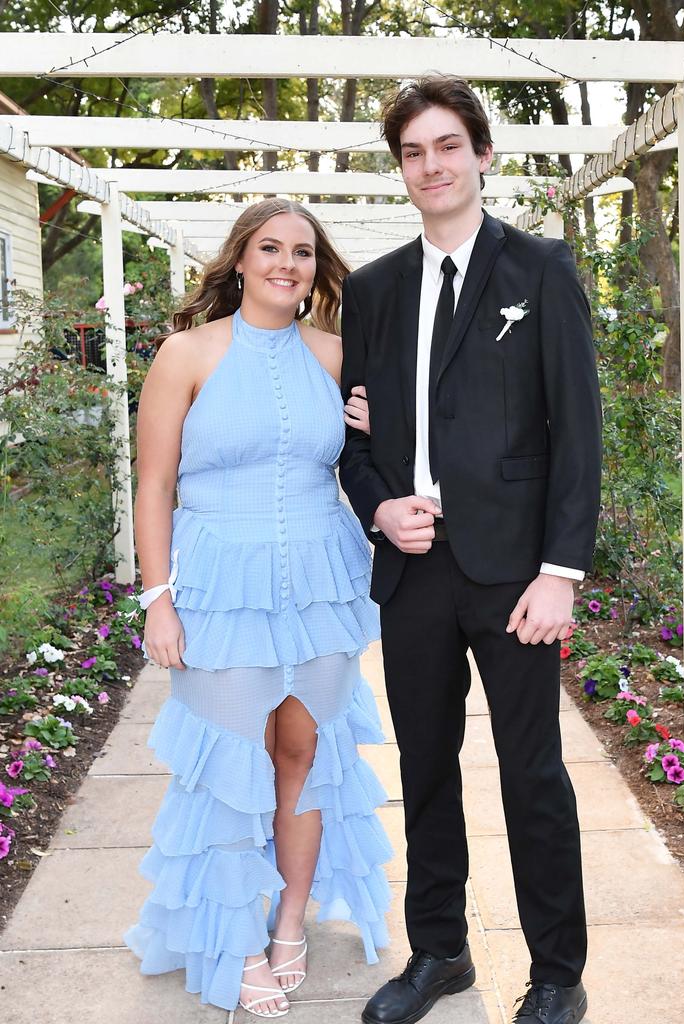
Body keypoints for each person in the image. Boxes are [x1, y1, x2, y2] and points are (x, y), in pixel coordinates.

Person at [340, 76, 602, 1024]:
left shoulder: (539, 271)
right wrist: (379, 507)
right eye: (414, 152)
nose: (432, 166)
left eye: (448, 146)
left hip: (517, 575)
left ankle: (559, 973)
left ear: (482, 155)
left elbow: (578, 430)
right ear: (402, 169)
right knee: (425, 765)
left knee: (533, 772)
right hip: (414, 572)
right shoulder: (370, 292)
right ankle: (441, 951)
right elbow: (355, 443)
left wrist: (562, 572)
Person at [125, 198, 391, 1018]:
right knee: (230, 767)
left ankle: (286, 925)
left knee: (303, 757)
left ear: (318, 268)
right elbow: (155, 484)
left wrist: (378, 428)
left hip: (319, 583)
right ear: (240, 260)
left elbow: (378, 463)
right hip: (216, 589)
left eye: (303, 252)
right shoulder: (186, 353)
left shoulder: (338, 357)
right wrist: (158, 601)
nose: (287, 264)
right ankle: (235, 939)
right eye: (269, 248)